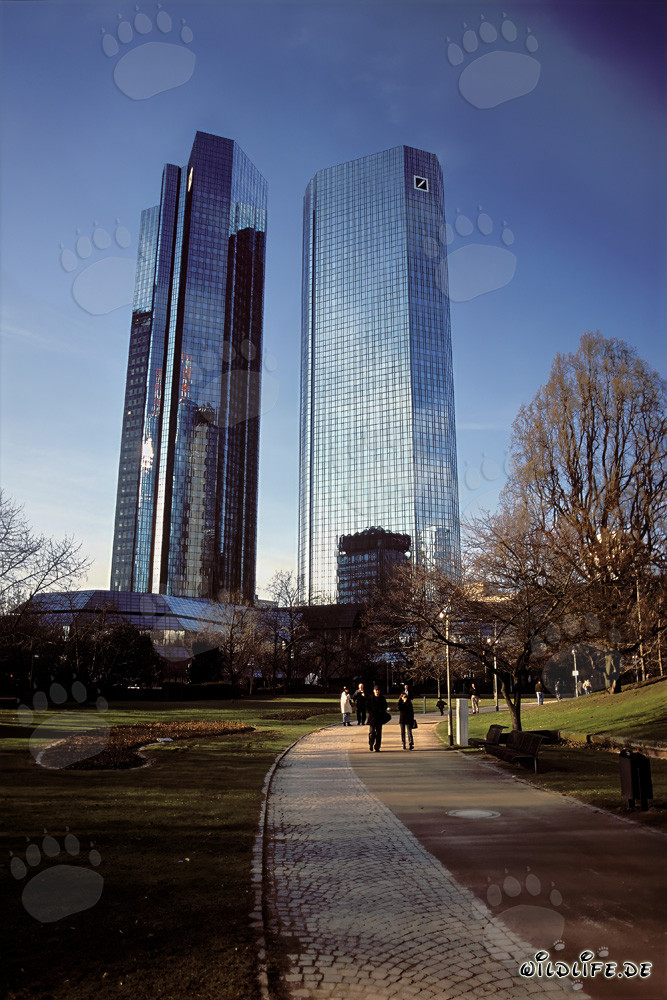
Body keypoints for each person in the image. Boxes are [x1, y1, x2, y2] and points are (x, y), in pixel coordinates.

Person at [366, 683, 388, 752]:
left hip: (379, 718)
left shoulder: (382, 698)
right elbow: (367, 707)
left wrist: (381, 711)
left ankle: (377, 746)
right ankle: (371, 744)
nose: (377, 691)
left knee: (378, 733)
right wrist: (371, 712)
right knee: (372, 732)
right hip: (372, 718)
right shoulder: (370, 698)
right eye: (376, 690)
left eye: (378, 690)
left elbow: (385, 706)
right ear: (373, 691)